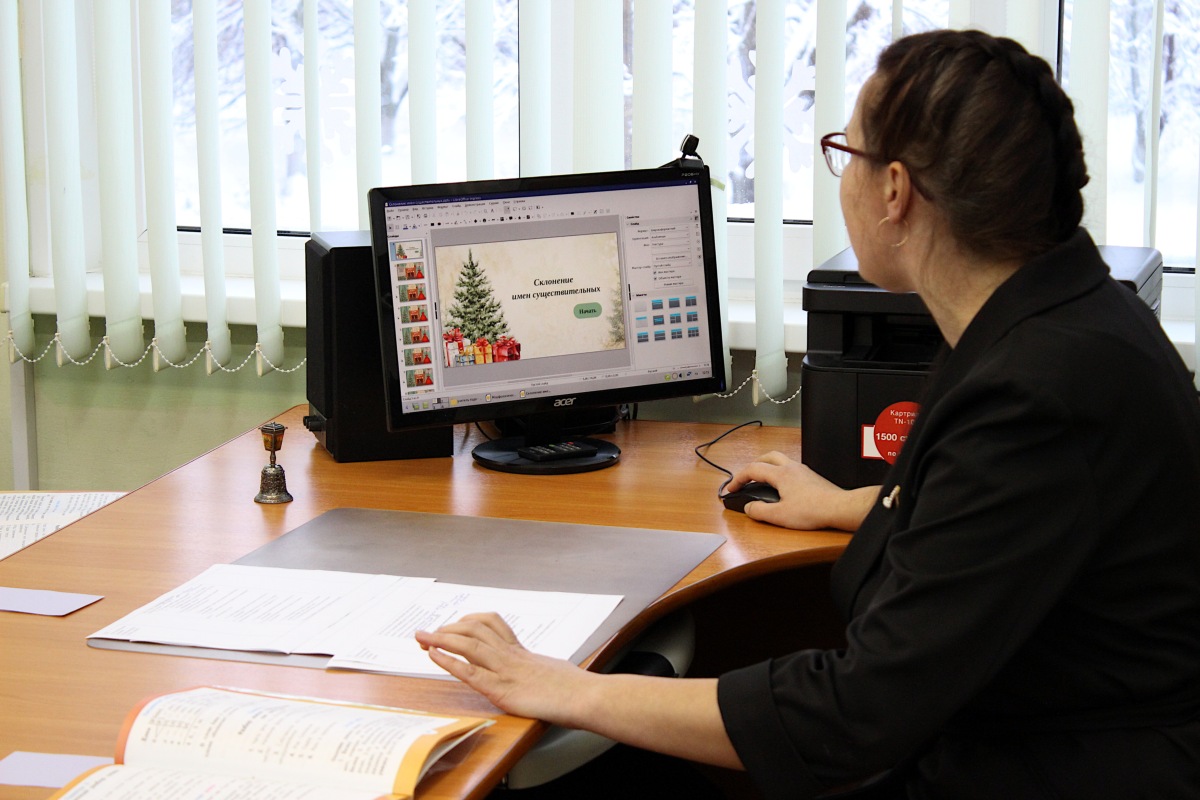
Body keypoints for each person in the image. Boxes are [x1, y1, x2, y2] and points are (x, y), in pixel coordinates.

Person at [416, 29, 1200, 799]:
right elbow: (1016, 520)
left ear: (895, 191)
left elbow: (853, 712)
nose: (842, 178)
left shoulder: (1035, 391)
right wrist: (853, 504)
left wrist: (564, 687)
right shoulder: (1061, 318)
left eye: (846, 153)